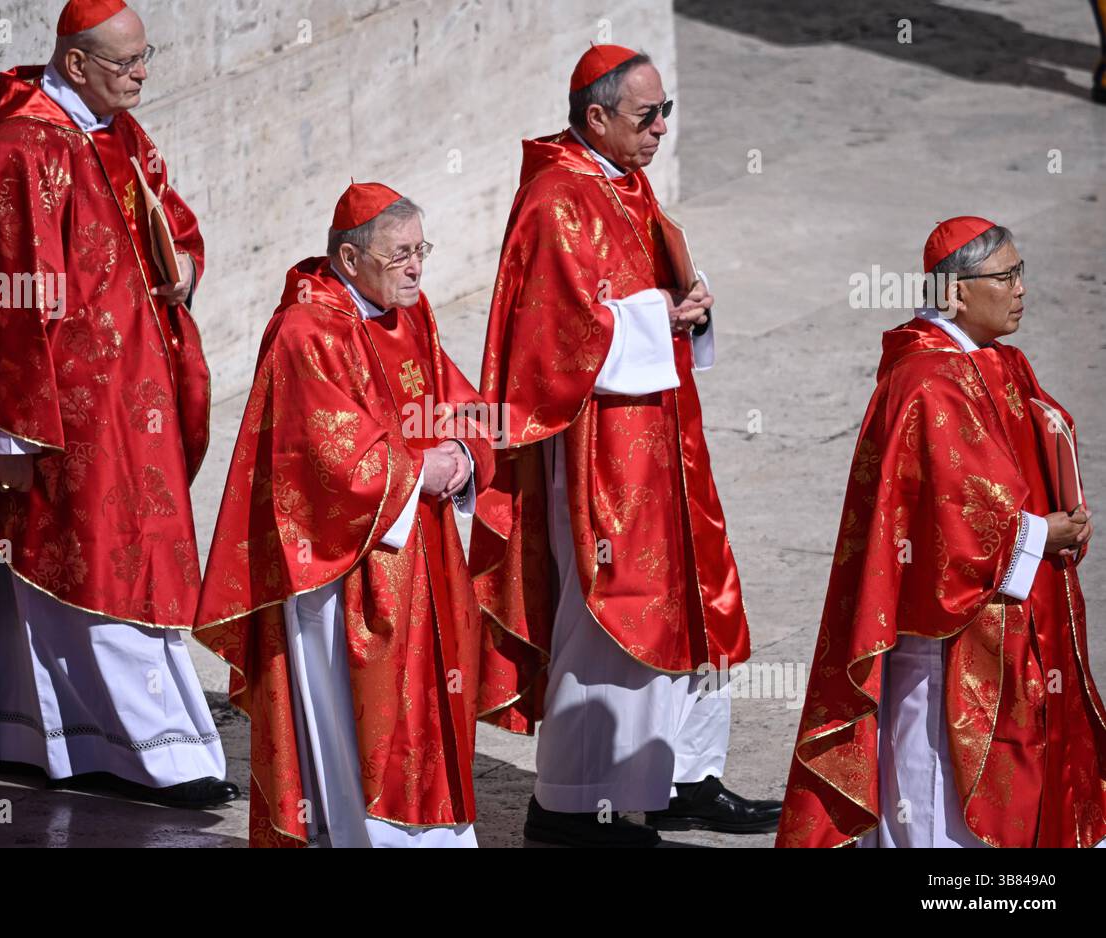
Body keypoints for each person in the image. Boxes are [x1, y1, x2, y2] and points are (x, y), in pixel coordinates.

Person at [0, 0, 234, 809]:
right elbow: (1, 299)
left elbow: (169, 218)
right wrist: (6, 428)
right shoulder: (22, 150)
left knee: (97, 554)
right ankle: (157, 749)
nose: (143, 75)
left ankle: (12, 733)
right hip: (58, 410)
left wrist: (181, 261)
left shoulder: (115, 131)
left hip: (126, 397)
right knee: (94, 555)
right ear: (76, 65)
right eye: (128, 63)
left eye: (149, 58)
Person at [471, 44, 779, 847]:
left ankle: (679, 774)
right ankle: (573, 803)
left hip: (664, 433)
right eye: (648, 116)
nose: (662, 129)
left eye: (666, 110)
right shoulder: (553, 200)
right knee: (613, 614)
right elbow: (549, 337)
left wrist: (694, 304)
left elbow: (647, 289)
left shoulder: (624, 183)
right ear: (597, 117)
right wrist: (655, 320)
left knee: (693, 595)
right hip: (600, 447)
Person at [777, 217, 1105, 848]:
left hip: (1008, 610)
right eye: (1005, 276)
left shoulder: (1000, 361)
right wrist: (1041, 534)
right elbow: (947, 521)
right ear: (955, 293)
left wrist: (1062, 497)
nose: (1021, 289)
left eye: (1020, 272)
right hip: (947, 631)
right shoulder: (925, 381)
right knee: (934, 787)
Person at [194, 182, 494, 847]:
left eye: (422, 250)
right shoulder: (307, 330)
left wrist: (465, 455)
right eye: (401, 255)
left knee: (429, 717)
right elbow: (326, 460)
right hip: (344, 569)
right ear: (351, 261)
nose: (417, 268)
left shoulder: (409, 312)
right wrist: (421, 472)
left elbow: (460, 401)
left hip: (424, 554)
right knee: (362, 730)